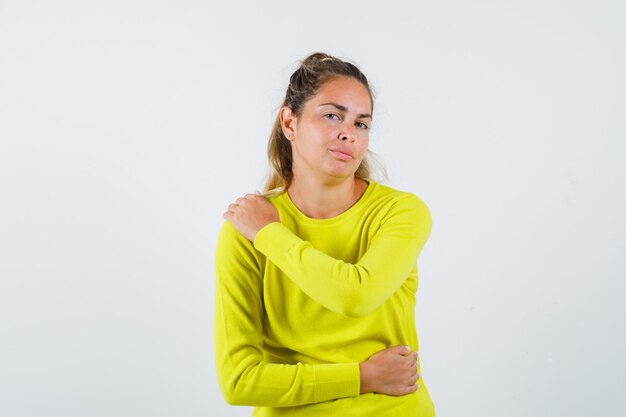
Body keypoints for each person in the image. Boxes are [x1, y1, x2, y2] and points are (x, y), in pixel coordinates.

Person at [214, 52, 435, 416]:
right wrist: (361, 377)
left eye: (361, 123)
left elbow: (356, 296)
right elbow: (238, 381)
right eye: (332, 115)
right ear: (290, 122)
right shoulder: (243, 230)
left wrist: (270, 235)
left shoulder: (400, 212)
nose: (348, 132)